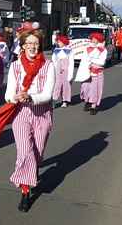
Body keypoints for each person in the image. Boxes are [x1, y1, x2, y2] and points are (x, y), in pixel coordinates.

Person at [5, 27, 55, 212]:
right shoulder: (15, 66)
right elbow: (9, 93)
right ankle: (25, 191)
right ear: (23, 46)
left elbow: (48, 94)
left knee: (37, 153)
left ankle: (29, 173)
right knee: (25, 151)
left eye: (36, 43)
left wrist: (31, 97)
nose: (33, 47)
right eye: (29, 43)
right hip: (22, 113)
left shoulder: (49, 66)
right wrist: (14, 98)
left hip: (42, 113)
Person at [75, 32, 107, 115]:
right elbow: (84, 61)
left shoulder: (103, 50)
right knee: (85, 88)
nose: (92, 40)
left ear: (98, 39)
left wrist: (92, 61)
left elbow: (101, 62)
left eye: (94, 38)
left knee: (95, 90)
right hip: (87, 72)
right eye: (92, 38)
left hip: (97, 73)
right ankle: (88, 101)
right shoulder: (87, 48)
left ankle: (93, 106)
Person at [52, 33, 74, 107]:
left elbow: (71, 63)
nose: (58, 43)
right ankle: (54, 100)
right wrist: (54, 71)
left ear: (64, 42)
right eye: (58, 42)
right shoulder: (56, 50)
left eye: (59, 42)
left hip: (66, 71)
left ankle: (65, 101)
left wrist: (70, 74)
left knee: (66, 86)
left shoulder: (69, 50)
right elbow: (54, 61)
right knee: (56, 85)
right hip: (58, 70)